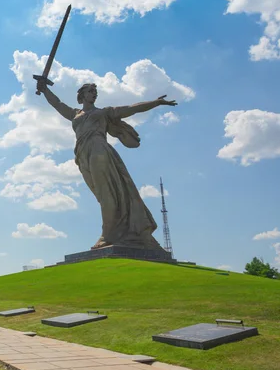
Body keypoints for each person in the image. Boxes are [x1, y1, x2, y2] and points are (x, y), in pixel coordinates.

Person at [36, 80, 177, 250]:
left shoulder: (104, 113)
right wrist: (44, 90)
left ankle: (108, 235)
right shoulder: (75, 114)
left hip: (99, 151)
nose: (94, 94)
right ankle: (116, 231)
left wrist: (156, 102)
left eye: (95, 92)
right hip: (82, 156)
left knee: (106, 194)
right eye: (90, 91)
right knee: (101, 196)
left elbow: (131, 108)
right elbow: (57, 104)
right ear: (82, 95)